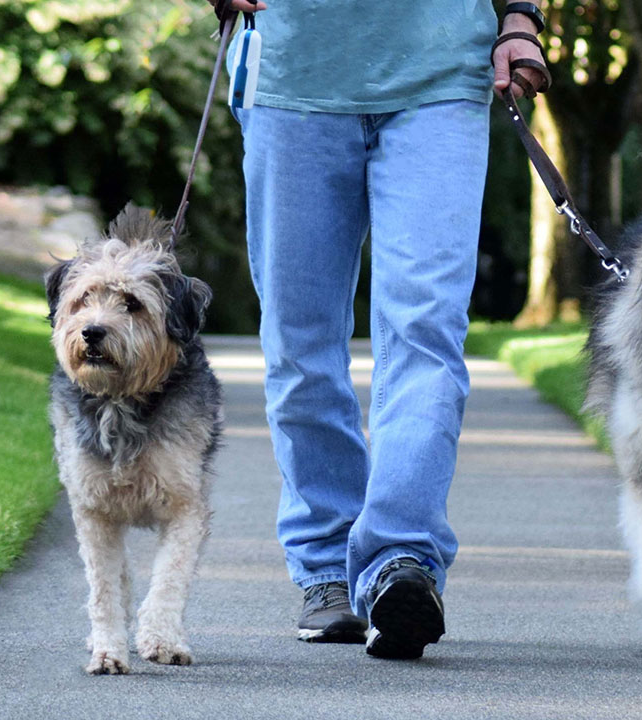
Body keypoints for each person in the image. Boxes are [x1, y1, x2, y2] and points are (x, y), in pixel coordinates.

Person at [218, 0, 549, 659]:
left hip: (439, 69)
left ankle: (401, 558)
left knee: (426, 328)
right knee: (299, 342)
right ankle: (325, 565)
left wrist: (520, 17)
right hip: (291, 75)